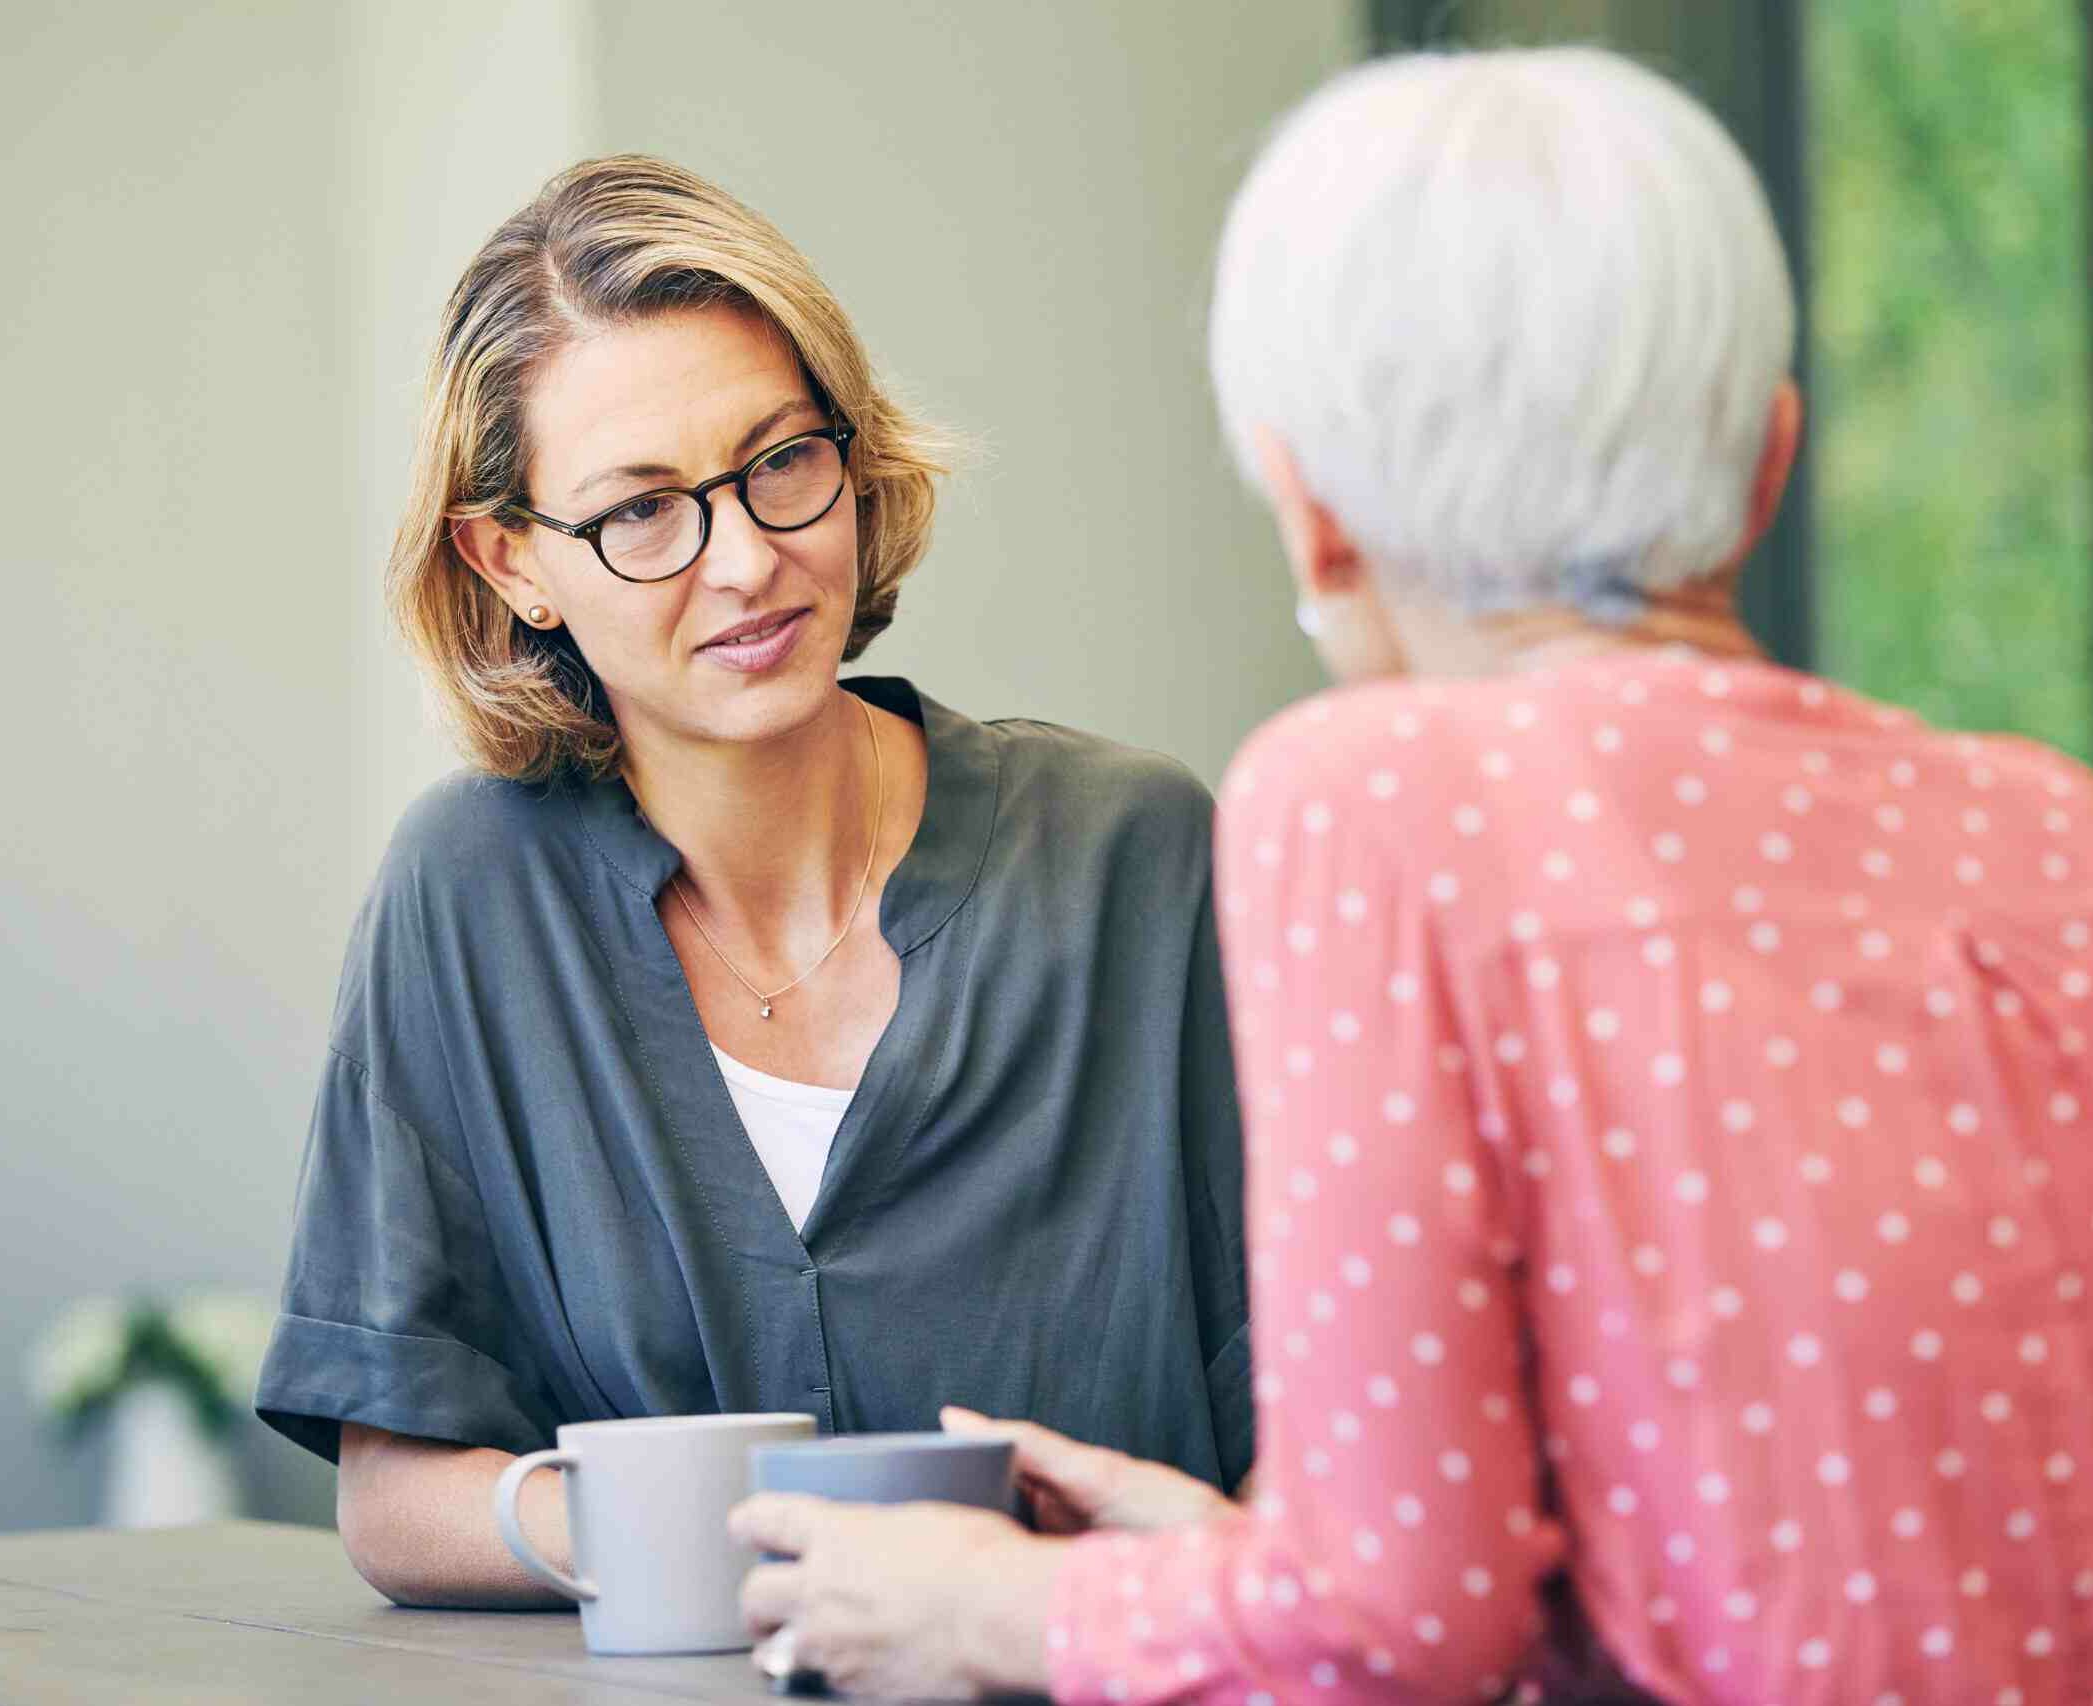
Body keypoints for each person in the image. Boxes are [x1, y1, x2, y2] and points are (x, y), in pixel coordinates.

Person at [732, 46, 2093, 1704]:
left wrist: (986, 1608)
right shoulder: (2043, 819)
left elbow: (1396, 1624)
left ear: (1308, 515)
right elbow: (1776, 1543)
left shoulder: (1372, 794)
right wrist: (1228, 1559)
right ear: (1768, 463)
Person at [252, 156, 1252, 1608]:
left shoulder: (1134, 857)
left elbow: (1323, 1444)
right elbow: (396, 1498)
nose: (745, 562)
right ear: (513, 560)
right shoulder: (467, 897)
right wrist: (742, 1537)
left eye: (779, 461)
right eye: (641, 512)